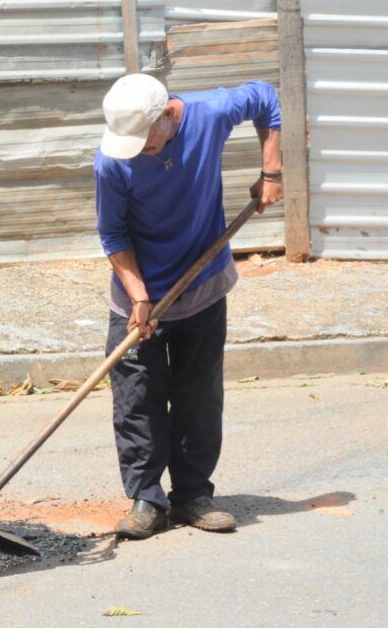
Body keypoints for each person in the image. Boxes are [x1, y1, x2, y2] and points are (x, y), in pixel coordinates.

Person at [93, 73, 283, 538]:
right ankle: (146, 500)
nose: (136, 149)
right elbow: (114, 235)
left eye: (144, 140)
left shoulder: (210, 112)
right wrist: (140, 297)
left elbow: (266, 99)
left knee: (198, 394)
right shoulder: (111, 163)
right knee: (137, 399)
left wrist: (271, 171)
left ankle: (193, 495)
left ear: (168, 116)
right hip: (138, 298)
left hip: (201, 285)